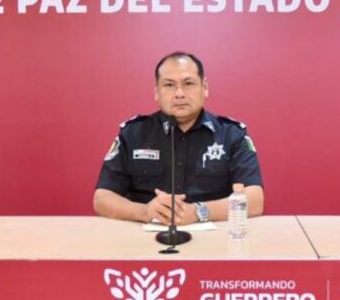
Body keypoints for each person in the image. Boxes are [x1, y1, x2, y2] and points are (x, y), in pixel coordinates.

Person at [94, 51, 264, 225]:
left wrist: (199, 212)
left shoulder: (231, 134)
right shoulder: (133, 133)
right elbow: (102, 198)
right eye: (169, 85)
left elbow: (255, 200)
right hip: (146, 233)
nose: (179, 93)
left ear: (204, 87)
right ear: (156, 91)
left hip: (214, 235)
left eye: (188, 83)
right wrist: (144, 211)